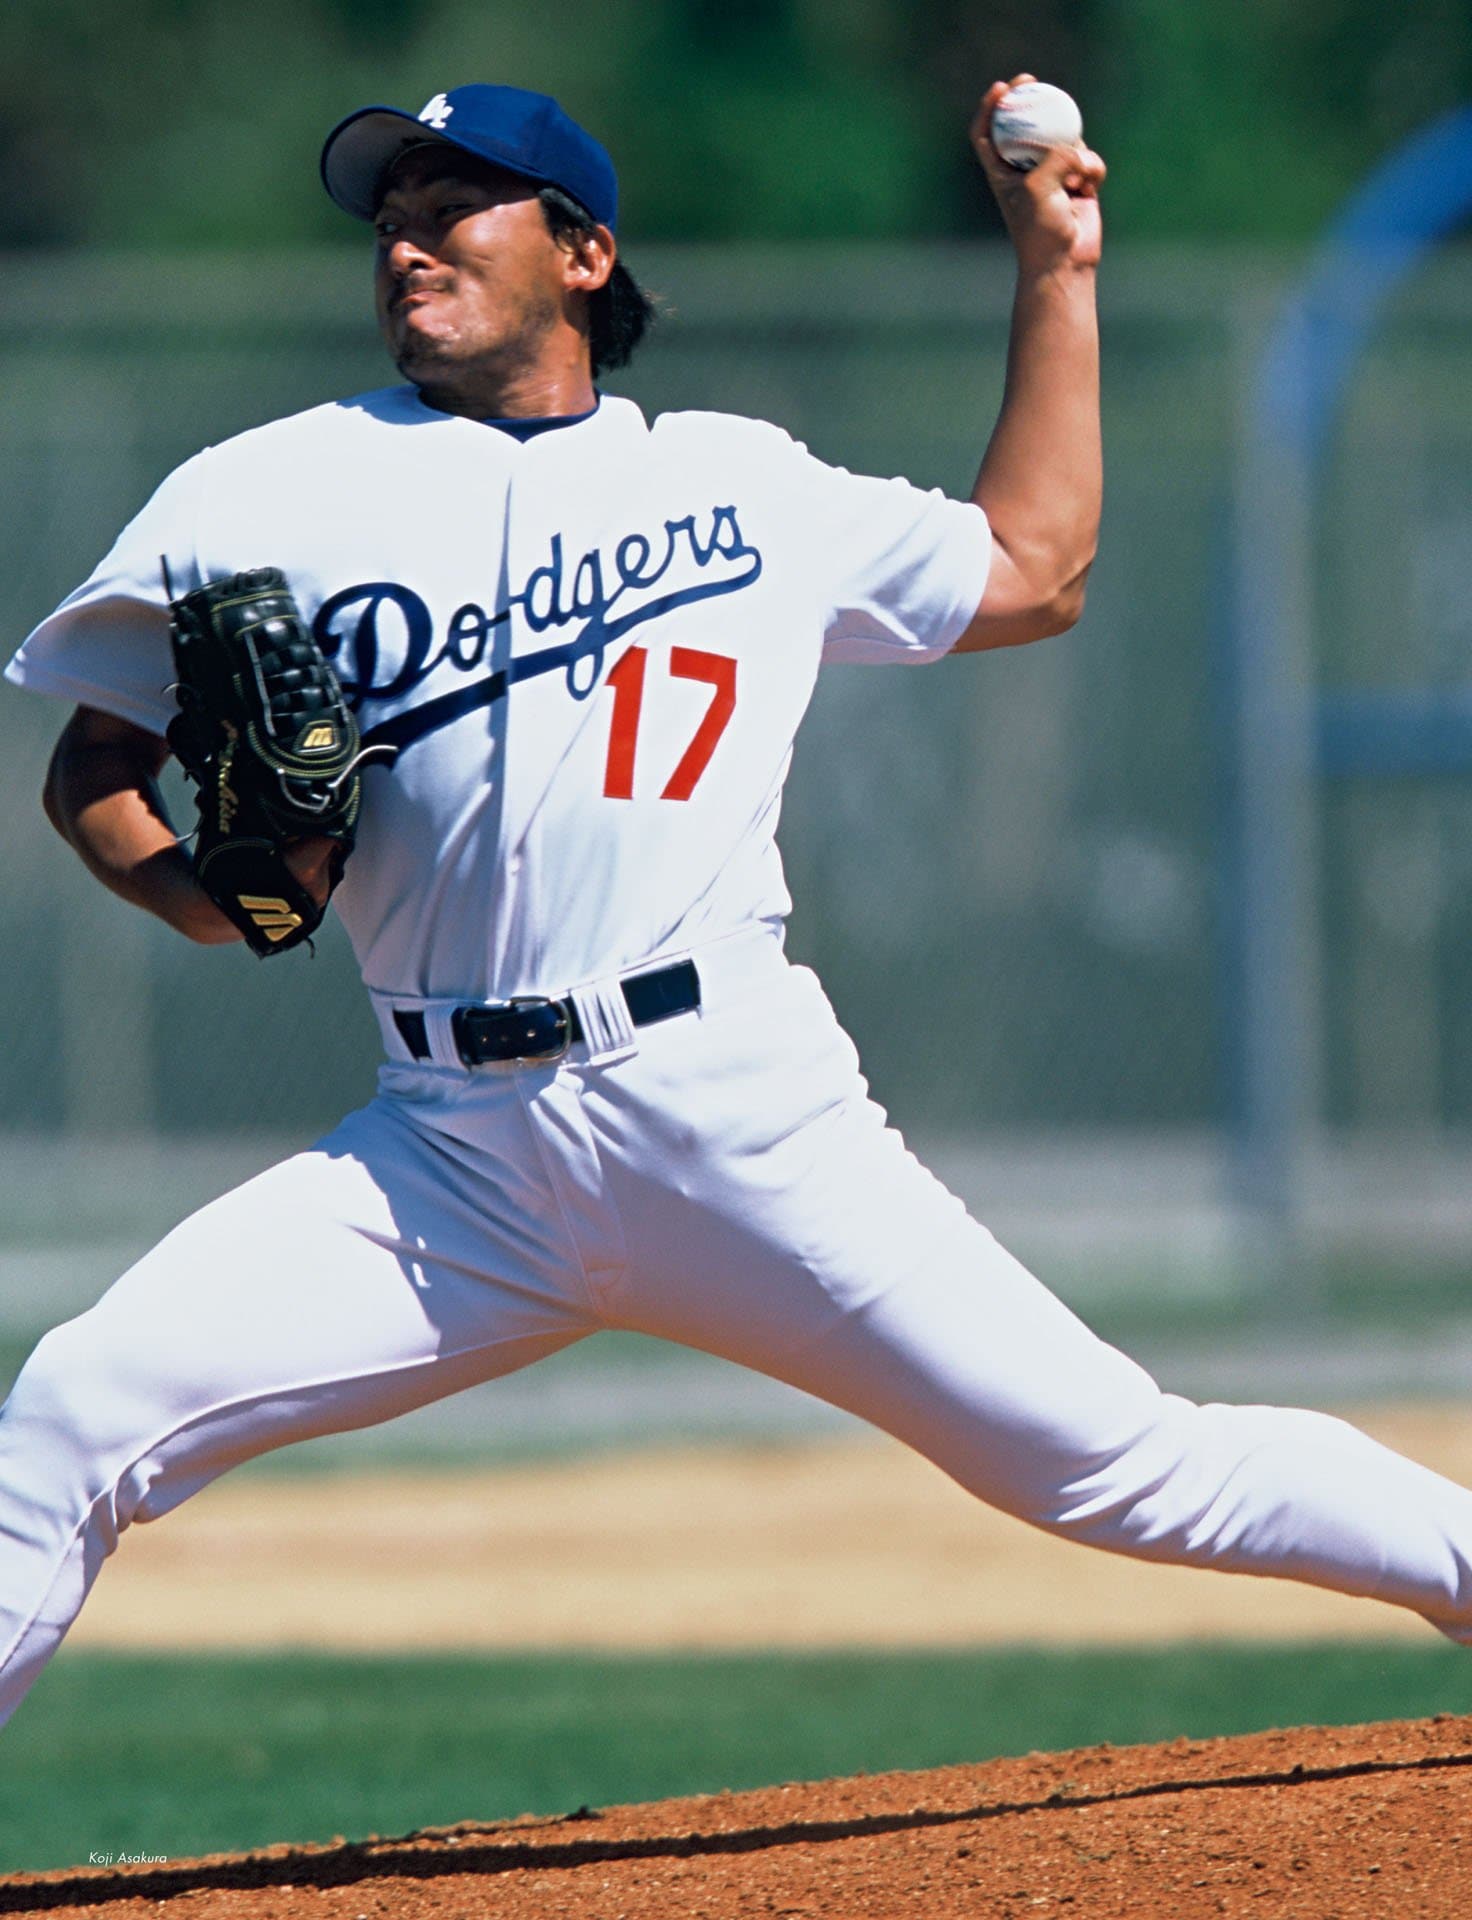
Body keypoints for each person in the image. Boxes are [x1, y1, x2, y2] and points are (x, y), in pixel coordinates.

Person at [3, 76, 1472, 1731]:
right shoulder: (261, 488)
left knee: (1117, 1465)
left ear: (584, 254)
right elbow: (95, 766)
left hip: (730, 1108)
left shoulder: (740, 482)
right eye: (392, 216)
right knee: (71, 1410)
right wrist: (197, 896)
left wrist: (1055, 271)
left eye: (454, 205)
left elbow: (1034, 569)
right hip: (445, 1158)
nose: (407, 241)